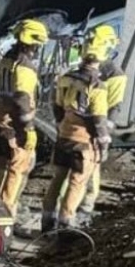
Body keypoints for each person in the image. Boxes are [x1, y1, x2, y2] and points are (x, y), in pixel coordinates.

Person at [0, 19, 48, 234]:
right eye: (38, 45)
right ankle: (4, 222)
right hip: (13, 127)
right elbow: (22, 101)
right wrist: (28, 130)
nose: (38, 49)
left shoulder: (7, 59)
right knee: (16, 172)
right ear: (32, 43)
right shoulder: (25, 67)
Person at [41, 52, 110, 232]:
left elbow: (56, 106)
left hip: (64, 136)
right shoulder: (98, 86)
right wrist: (104, 144)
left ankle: (47, 223)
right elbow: (98, 120)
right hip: (84, 142)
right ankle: (65, 225)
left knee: (58, 178)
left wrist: (61, 124)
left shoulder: (66, 78)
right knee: (77, 182)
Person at [69, 25, 127, 226]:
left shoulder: (114, 74)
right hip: (84, 125)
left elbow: (113, 107)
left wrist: (103, 132)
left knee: (91, 167)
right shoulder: (99, 70)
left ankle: (84, 206)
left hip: (93, 125)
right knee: (82, 168)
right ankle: (74, 207)